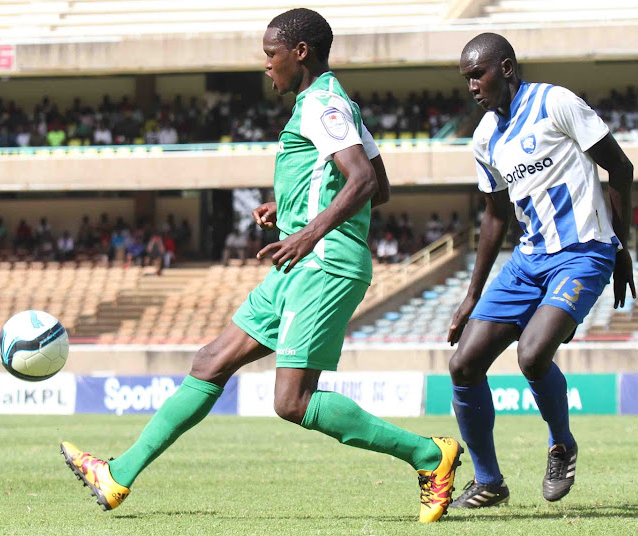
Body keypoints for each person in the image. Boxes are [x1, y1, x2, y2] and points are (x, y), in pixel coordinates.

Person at [60, 8, 461, 524]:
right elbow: (377, 187)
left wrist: (308, 231)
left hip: (324, 262)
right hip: (303, 262)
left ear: (300, 53)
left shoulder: (323, 105)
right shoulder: (337, 105)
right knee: (211, 362)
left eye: (271, 55)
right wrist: (292, 206)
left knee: (291, 401)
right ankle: (117, 476)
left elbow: (362, 182)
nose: (267, 66)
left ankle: (430, 456)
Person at [447, 33, 635, 509]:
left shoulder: (556, 102)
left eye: (478, 74)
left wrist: (620, 246)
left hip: (583, 251)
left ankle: (561, 444)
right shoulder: (485, 136)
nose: (471, 86)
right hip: (528, 260)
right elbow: (494, 215)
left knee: (532, 355)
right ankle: (489, 481)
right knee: (463, 365)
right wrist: (471, 296)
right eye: (466, 78)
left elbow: (621, 166)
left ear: (506, 68)